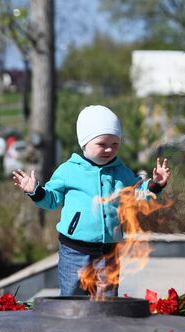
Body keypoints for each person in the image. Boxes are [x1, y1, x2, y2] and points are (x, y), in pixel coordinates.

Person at [12, 105, 170, 297]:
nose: (109, 149)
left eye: (115, 144)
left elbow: (138, 195)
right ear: (85, 142)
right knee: (72, 297)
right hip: (74, 251)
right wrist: (35, 191)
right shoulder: (68, 171)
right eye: (102, 144)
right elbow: (51, 200)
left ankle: (104, 326)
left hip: (108, 252)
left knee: (107, 300)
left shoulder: (121, 172)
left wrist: (155, 185)